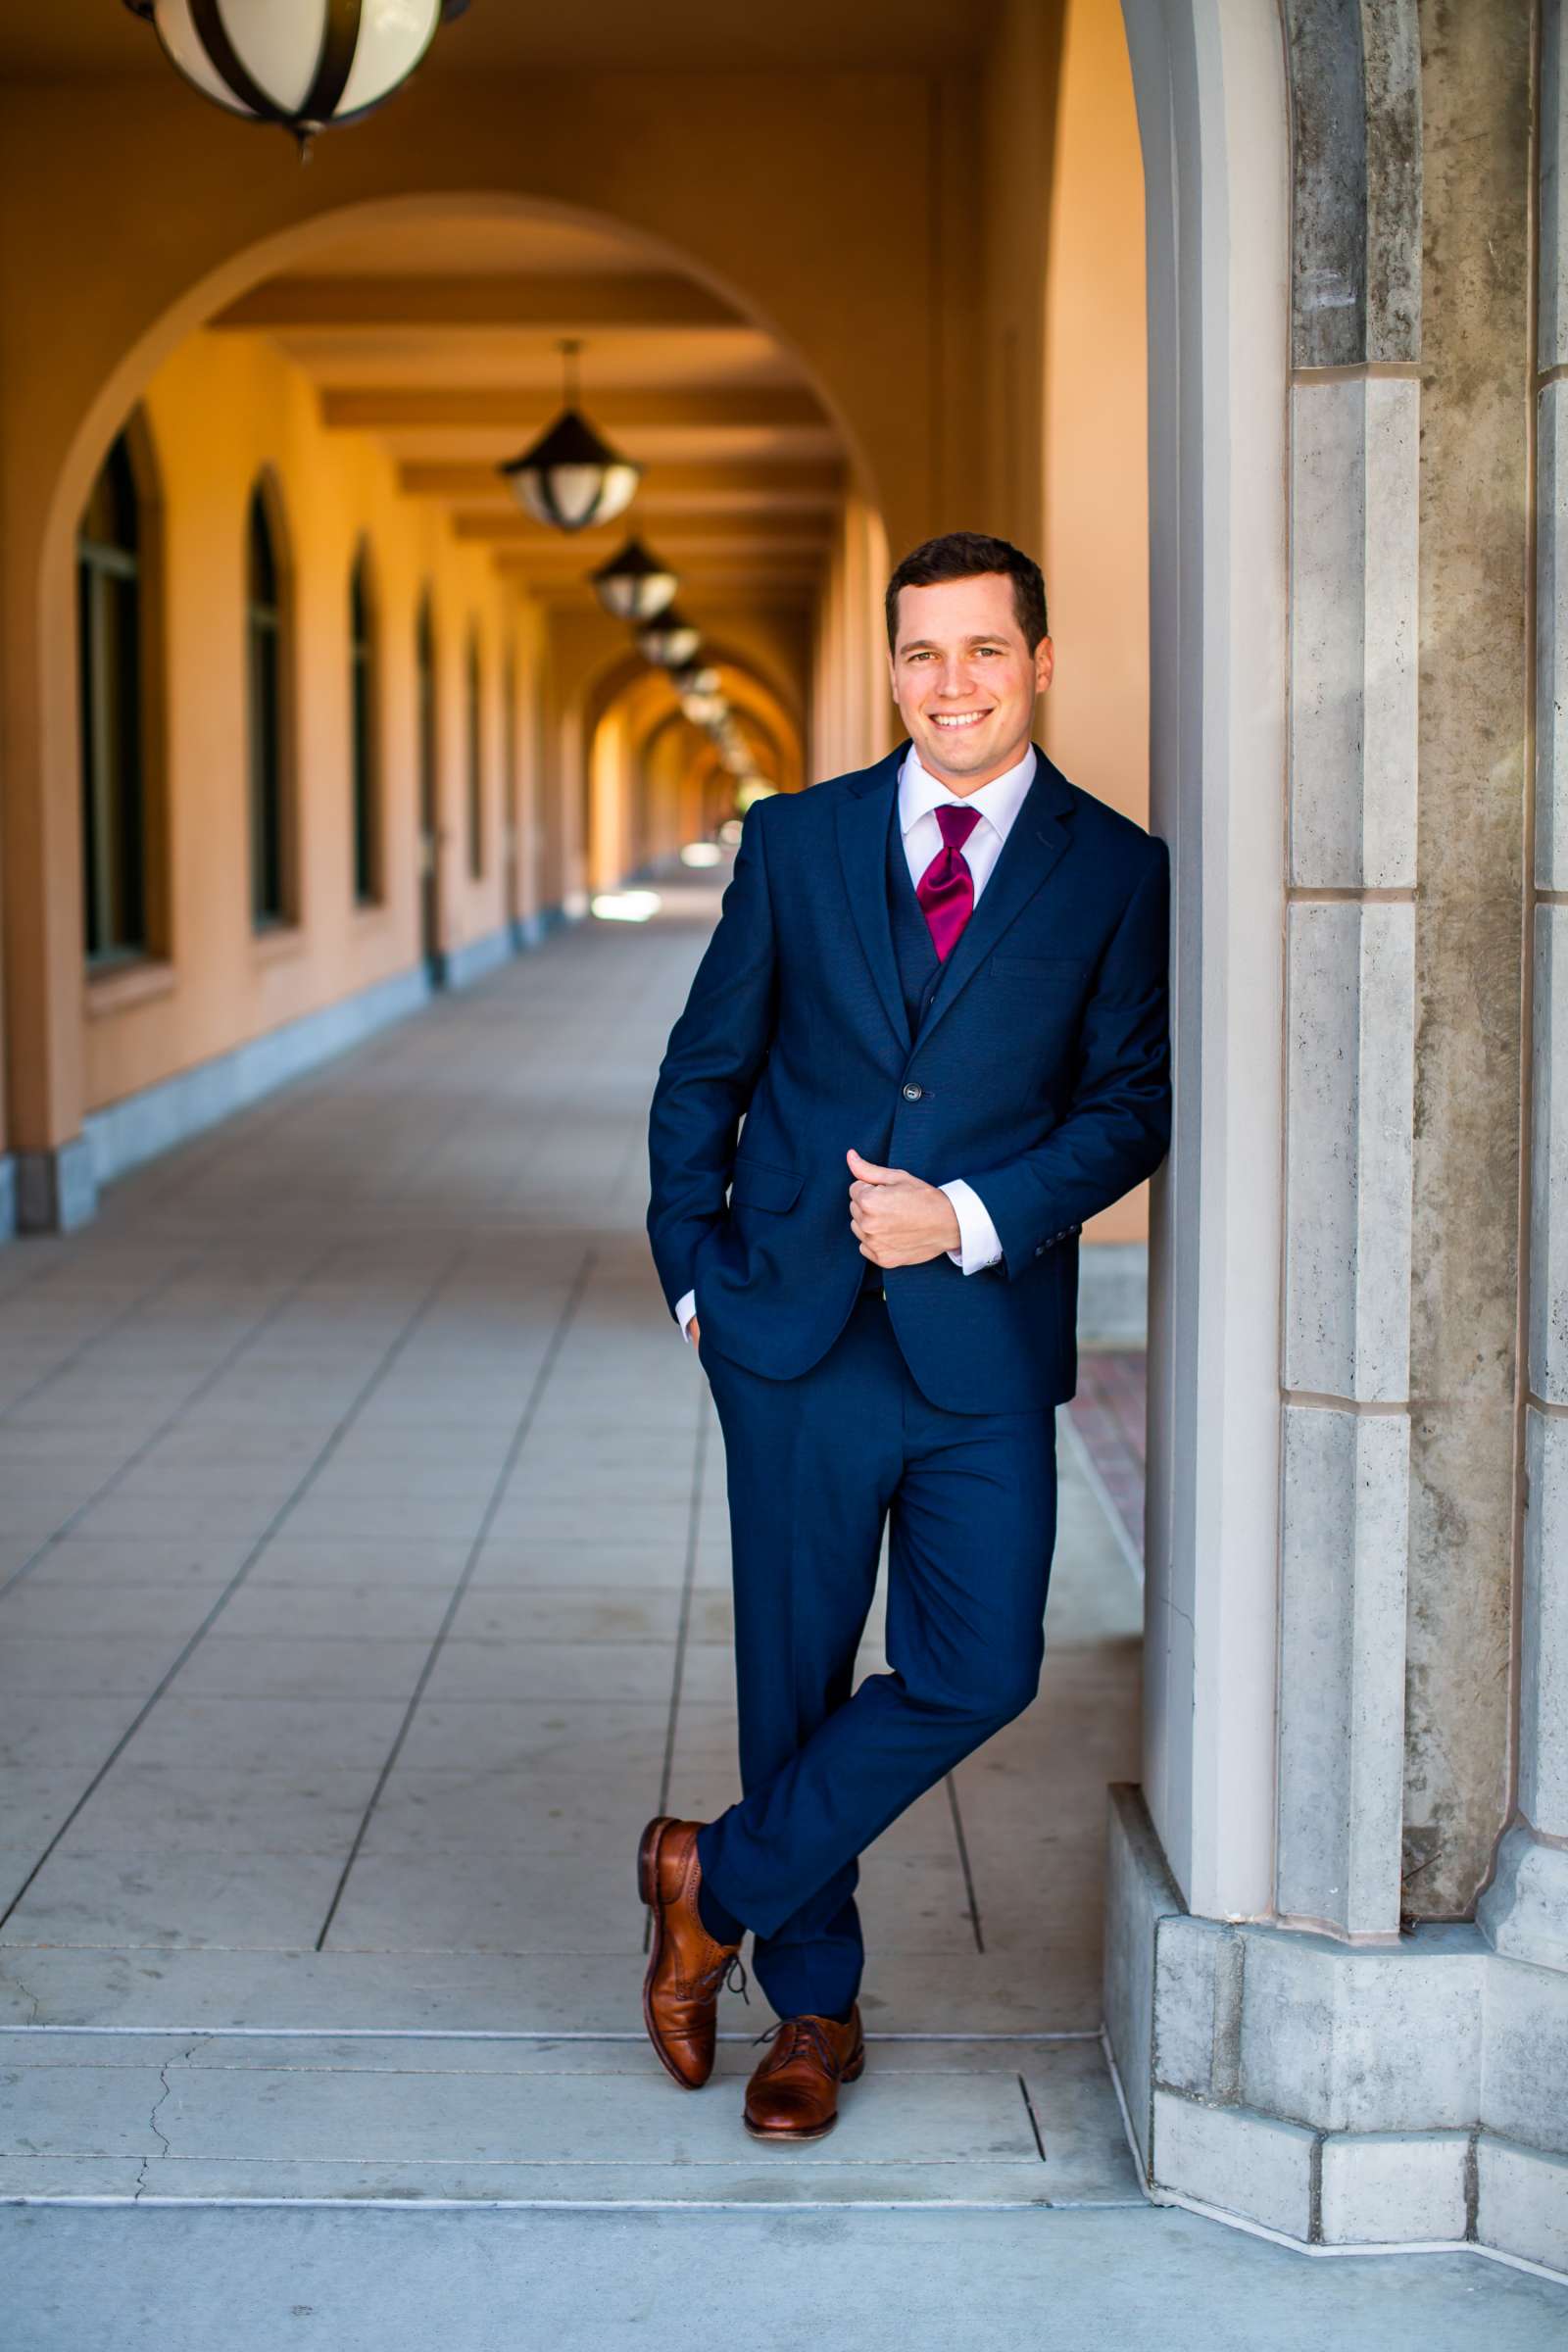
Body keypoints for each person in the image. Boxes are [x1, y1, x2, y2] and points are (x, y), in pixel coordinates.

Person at [640, 530, 1171, 2141]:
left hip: (980, 1341)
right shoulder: (798, 844)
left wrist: (973, 1214)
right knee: (795, 1680)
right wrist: (694, 1279)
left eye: (984, 651)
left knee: (977, 1665)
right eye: (923, 654)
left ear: (1039, 662)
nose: (952, 684)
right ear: (893, 669)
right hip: (791, 1337)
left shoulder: (1115, 870)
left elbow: (1130, 1106)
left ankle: (705, 1877)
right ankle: (813, 2005)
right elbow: (702, 1072)